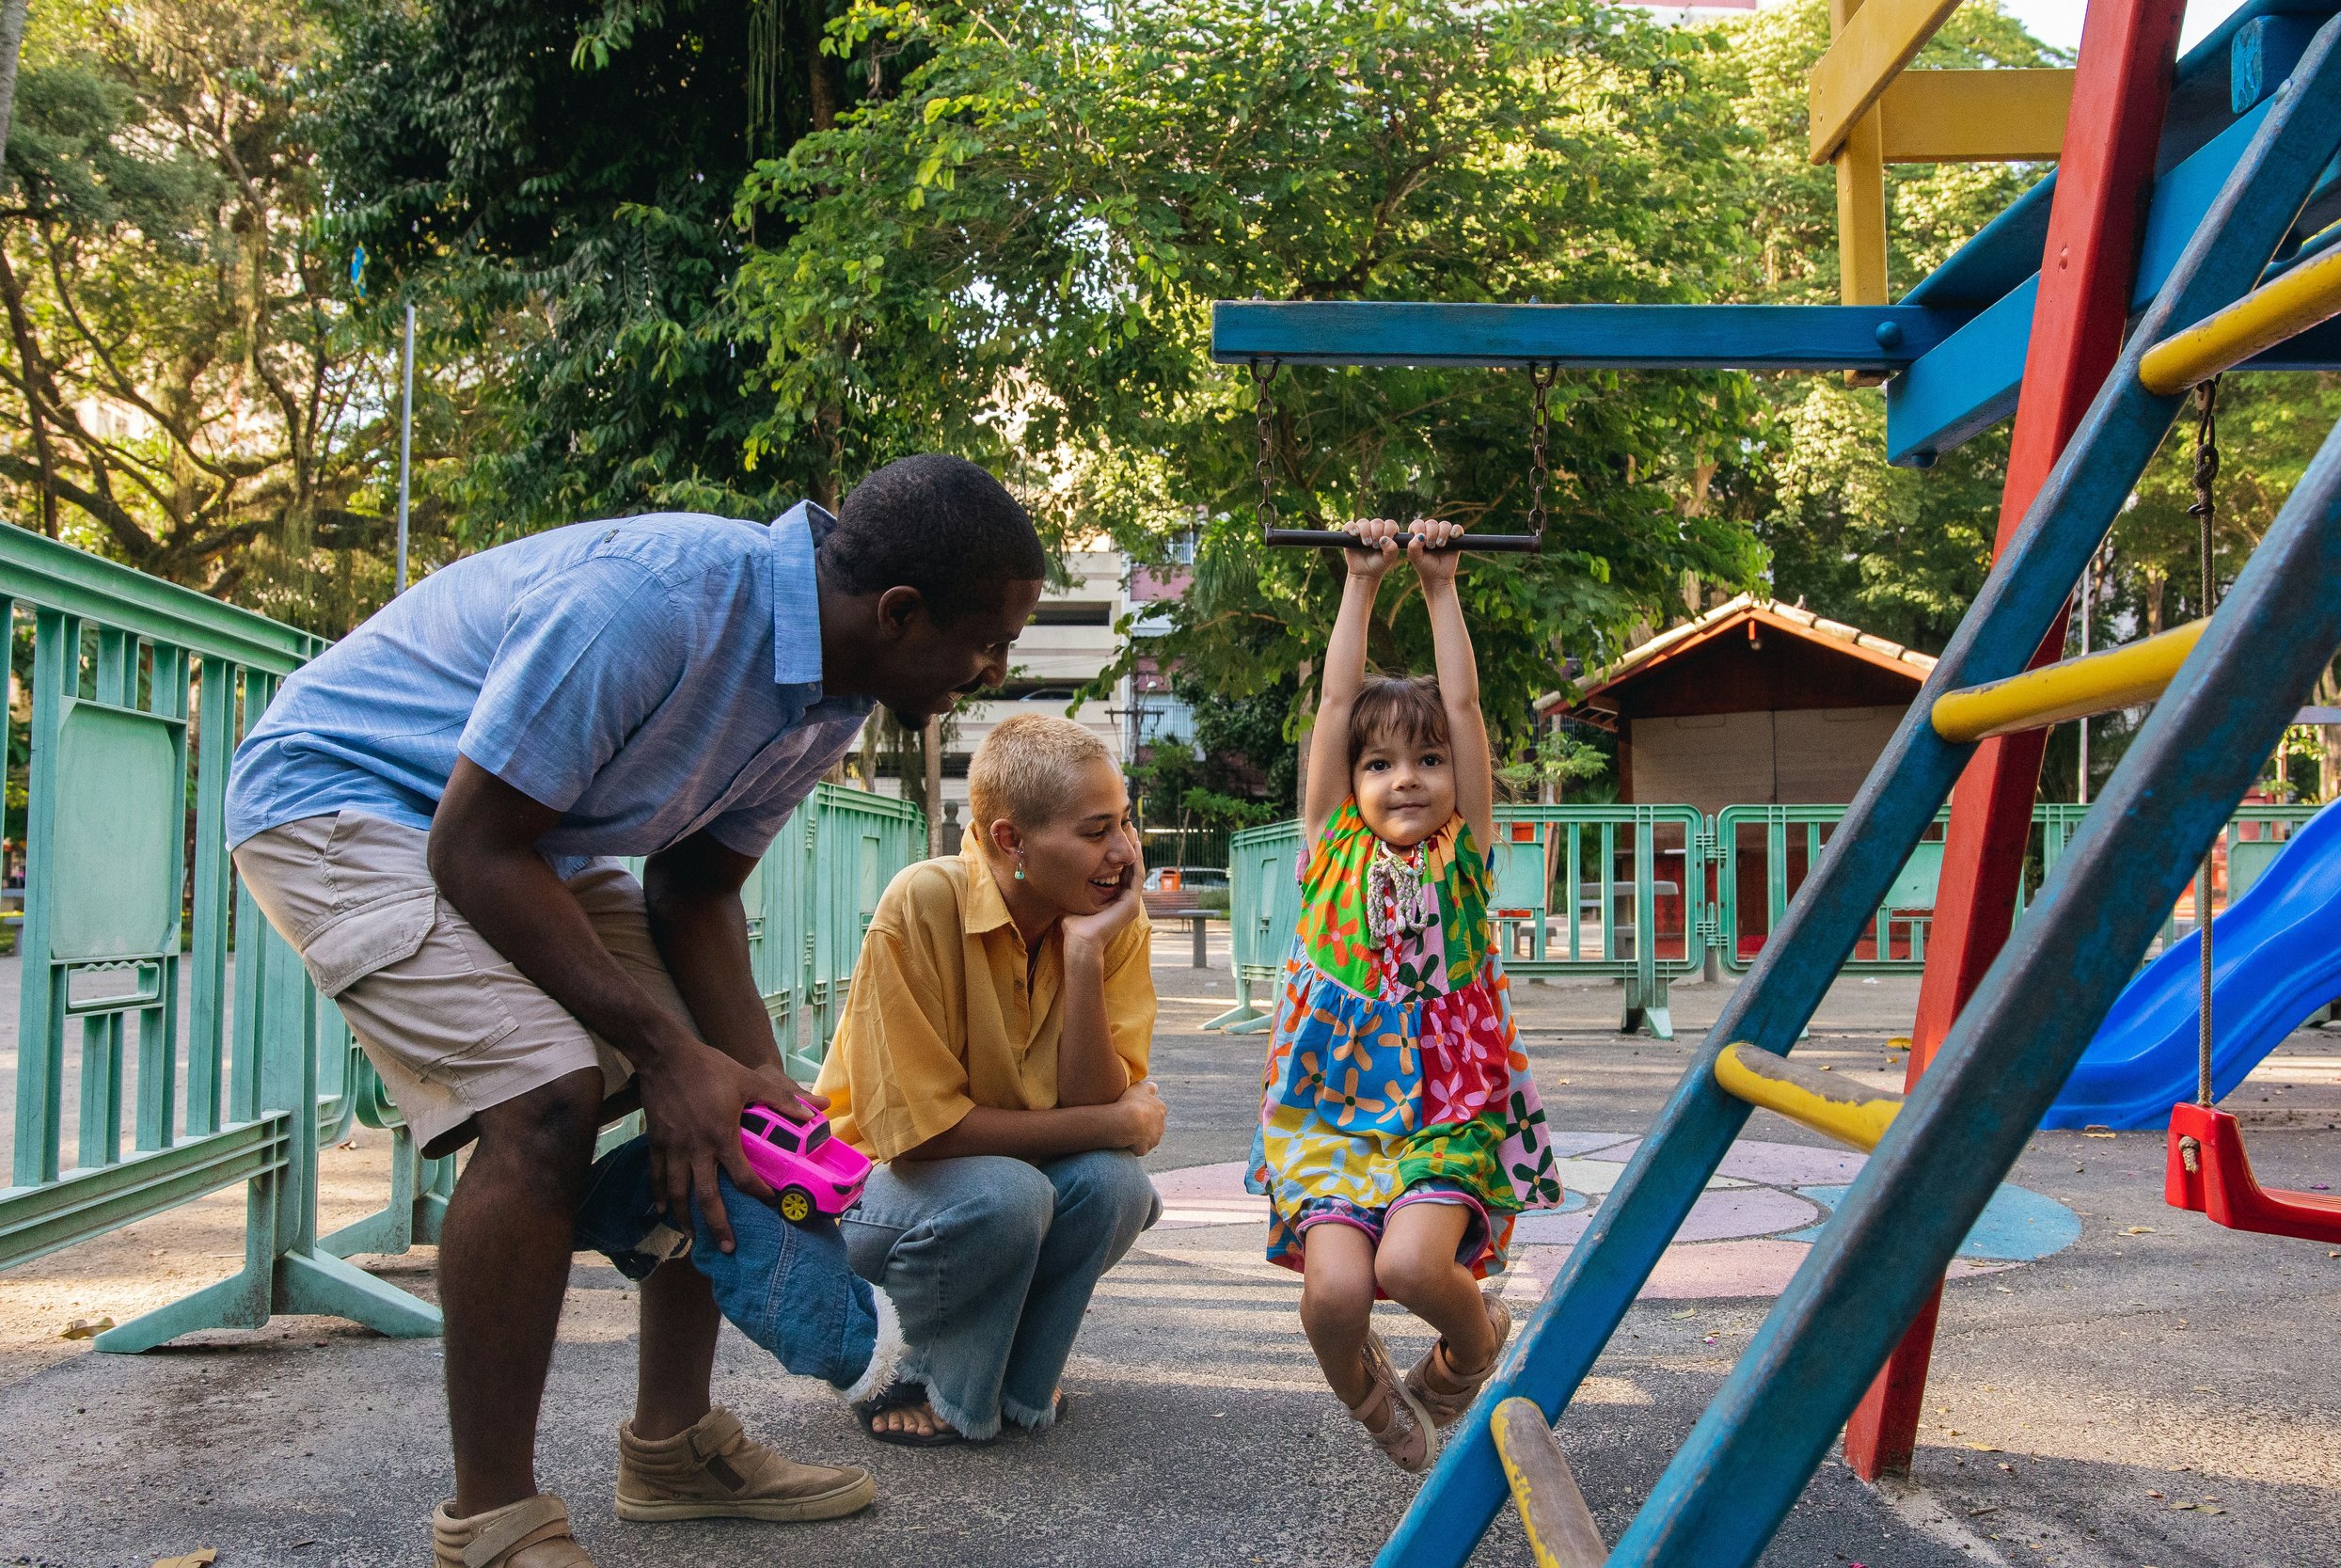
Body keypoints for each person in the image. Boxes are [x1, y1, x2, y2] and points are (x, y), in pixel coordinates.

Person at [226, 454, 1046, 1568]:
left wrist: (759, 1087)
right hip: (345, 798)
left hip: (521, 834)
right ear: (898, 612)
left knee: (724, 1106)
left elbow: (694, 886)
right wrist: (666, 1056)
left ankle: (671, 1447)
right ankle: (493, 1520)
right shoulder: (655, 600)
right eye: (985, 642)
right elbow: (469, 845)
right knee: (549, 1097)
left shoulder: (833, 693)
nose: (992, 669)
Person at [1247, 516, 1564, 1474]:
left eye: (1425, 760)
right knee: (1335, 1296)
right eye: (1380, 763)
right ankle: (1373, 1398)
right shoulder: (1330, 844)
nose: (1407, 778)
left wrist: (1435, 586)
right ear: (1349, 780)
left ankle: (1473, 1344)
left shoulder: (1462, 854)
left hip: (1446, 1103)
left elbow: (1462, 706)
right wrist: (1358, 580)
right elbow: (1338, 696)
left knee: (1414, 1265)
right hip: (1333, 1111)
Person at [815, 713, 1165, 1446]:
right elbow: (923, 1139)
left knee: (1115, 1186)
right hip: (864, 1209)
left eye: (1125, 823)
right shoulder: (922, 903)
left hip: (996, 1191)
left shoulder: (1104, 921)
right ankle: (917, 1373)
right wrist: (1111, 1125)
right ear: (1012, 841)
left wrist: (1082, 959)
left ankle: (1019, 1384)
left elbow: (1093, 1099)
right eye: (1096, 831)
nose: (1124, 853)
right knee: (1012, 1193)